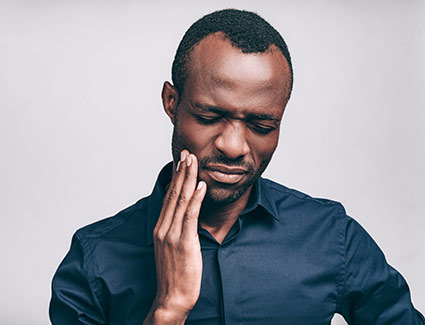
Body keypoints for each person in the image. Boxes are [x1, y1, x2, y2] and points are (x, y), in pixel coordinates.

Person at [49, 9, 424, 324]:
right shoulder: (94, 259)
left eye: (262, 126)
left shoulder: (331, 236)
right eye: (210, 116)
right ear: (171, 102)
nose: (233, 147)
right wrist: (168, 310)